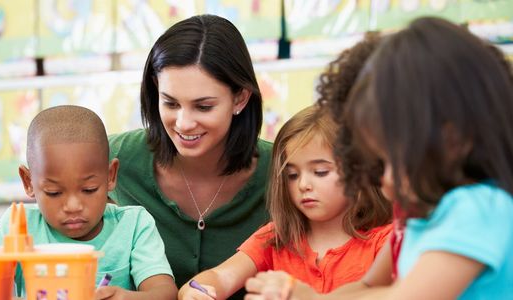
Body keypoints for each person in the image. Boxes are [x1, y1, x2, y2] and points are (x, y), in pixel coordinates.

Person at [245, 17, 513, 300]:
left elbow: (407, 297)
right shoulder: (416, 215)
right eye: (374, 165)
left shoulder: (478, 208)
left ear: (452, 139)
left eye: (388, 163)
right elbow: (370, 286)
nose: (382, 182)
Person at [108, 14, 272, 296]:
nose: (183, 123)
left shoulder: (284, 170)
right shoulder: (115, 157)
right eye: (170, 103)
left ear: (240, 98)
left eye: (203, 107)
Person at [178, 104, 392, 300]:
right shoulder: (275, 237)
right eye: (292, 175)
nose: (303, 185)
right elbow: (221, 277)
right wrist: (195, 290)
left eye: (320, 172)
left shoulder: (386, 242)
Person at [0, 105, 177, 300]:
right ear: (28, 182)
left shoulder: (134, 225)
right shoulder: (18, 226)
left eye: (89, 189)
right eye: (54, 192)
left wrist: (125, 298)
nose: (73, 206)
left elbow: (165, 293)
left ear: (111, 176)